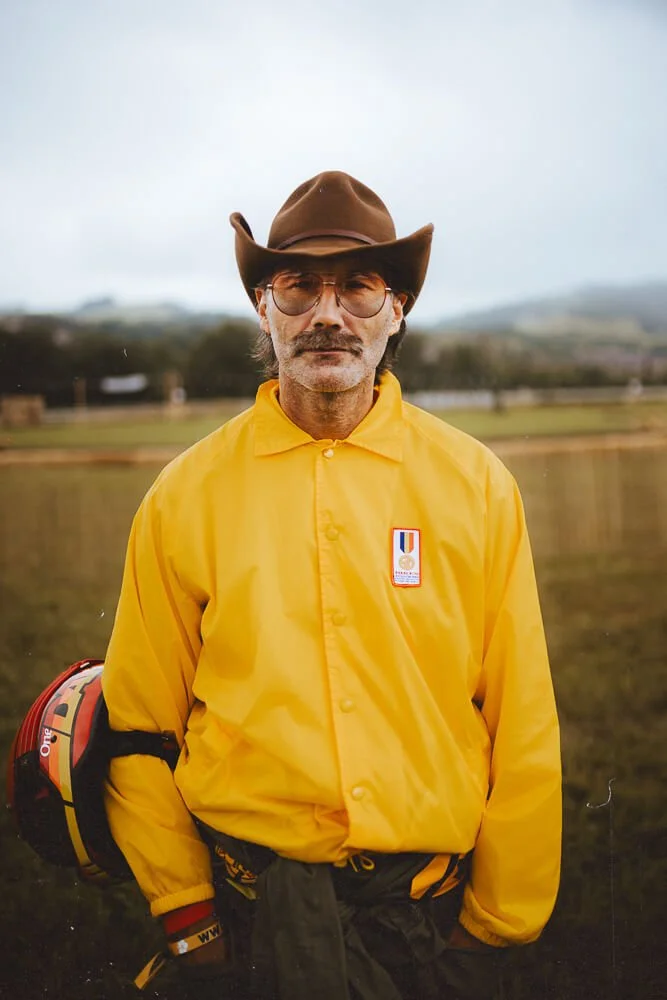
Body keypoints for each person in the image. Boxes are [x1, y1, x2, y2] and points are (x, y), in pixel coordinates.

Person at [102, 171, 561, 1000]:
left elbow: (521, 717)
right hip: (248, 917)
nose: (326, 313)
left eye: (357, 285)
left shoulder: (476, 484)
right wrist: (188, 918)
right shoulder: (183, 494)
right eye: (296, 285)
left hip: (430, 913)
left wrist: (497, 922)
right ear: (261, 306)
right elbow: (138, 727)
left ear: (398, 310)